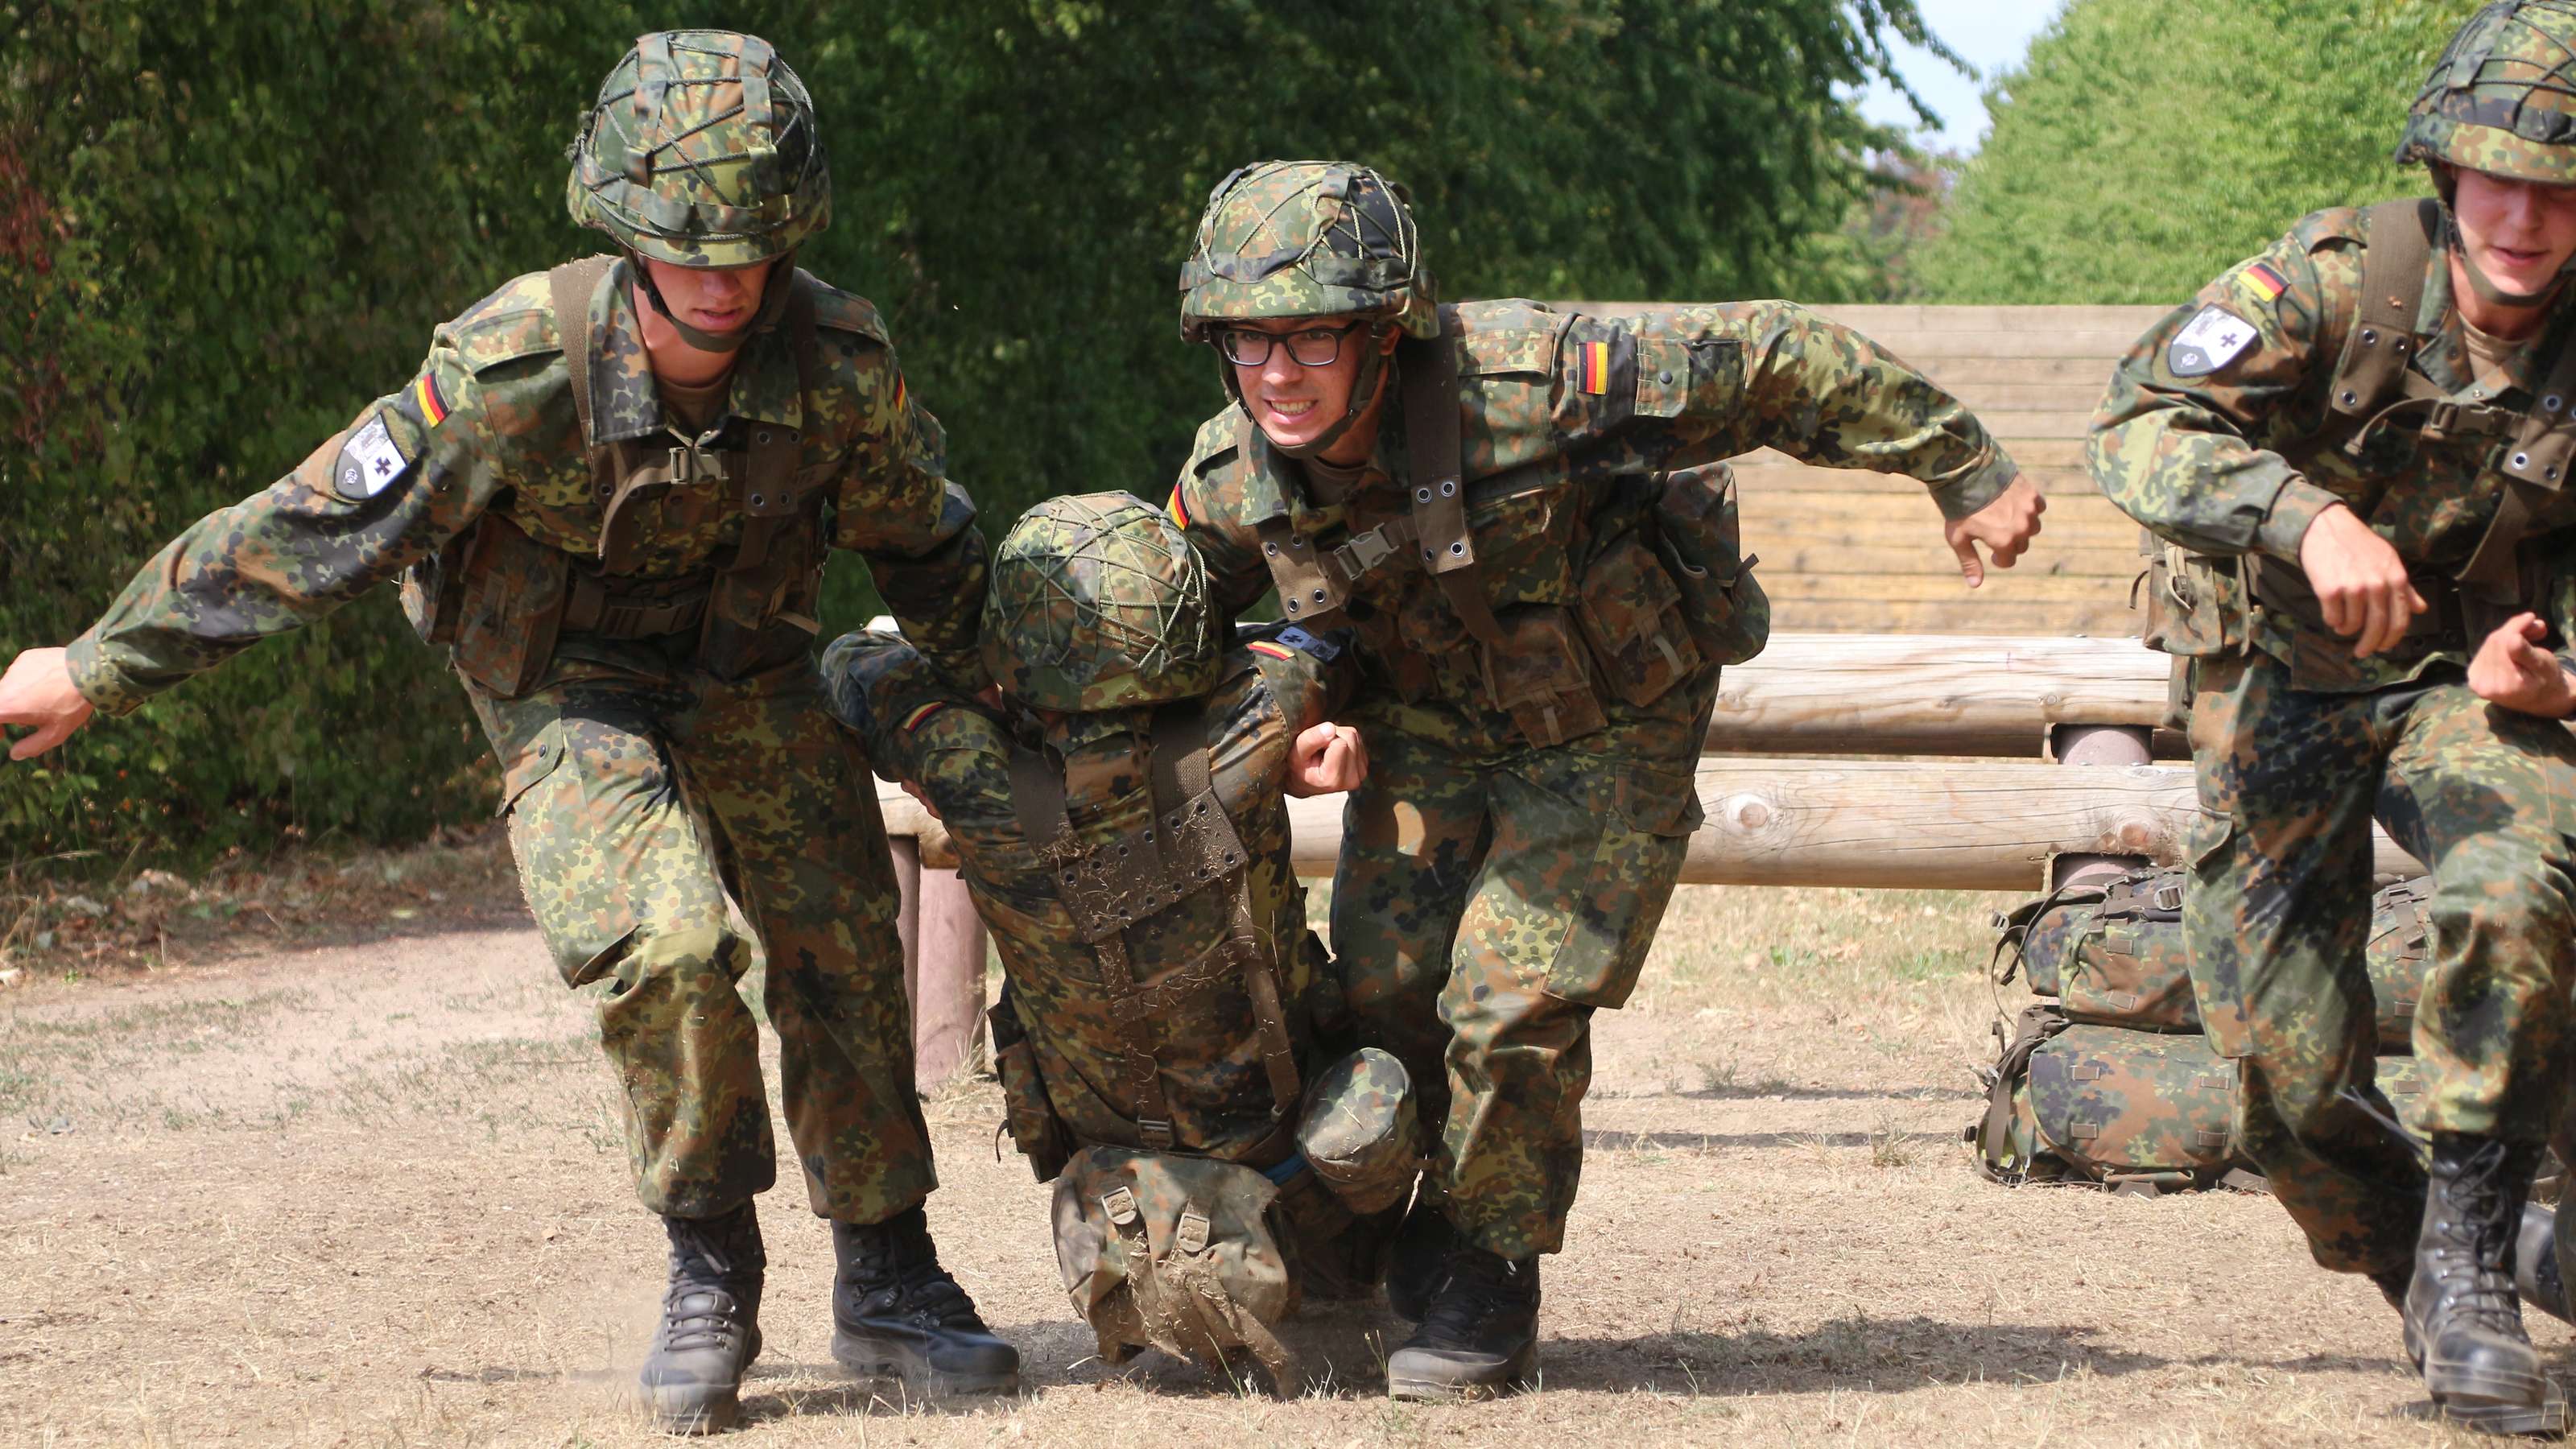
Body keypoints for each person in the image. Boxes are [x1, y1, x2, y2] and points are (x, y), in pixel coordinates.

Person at [0, 31, 1017, 1432]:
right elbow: (318, 529)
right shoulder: (511, 371)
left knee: (841, 931)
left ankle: (890, 1276)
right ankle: (711, 1263)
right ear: (626, 228)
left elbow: (929, 544)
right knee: (665, 947)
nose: (725, 275)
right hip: (566, 688)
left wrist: (1025, 699)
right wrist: (97, 663)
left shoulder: (838, 364)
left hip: (748, 676)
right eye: (689, 243)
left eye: (754, 244)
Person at [1163, 159, 2043, 1400]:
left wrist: (1963, 467)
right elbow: (1169, 642)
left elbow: (1775, 357)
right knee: (1385, 991)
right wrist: (1284, 714)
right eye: (1247, 342)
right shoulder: (1229, 480)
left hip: (1613, 713)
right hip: (1428, 716)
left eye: (1311, 335)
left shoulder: (1534, 383)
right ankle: (1367, 1228)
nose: (1278, 374)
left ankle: (1485, 1264)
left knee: (1513, 999)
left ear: (1385, 327)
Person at [2090, 2, 2576, 1432]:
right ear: (2443, 167)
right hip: (2280, 683)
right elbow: (2138, 425)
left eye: (2562, 186)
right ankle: (2444, 1262)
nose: (2528, 217)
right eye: (2499, 176)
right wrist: (2306, 523)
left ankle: (2484, 1270)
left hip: (2468, 681)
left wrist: (2565, 678)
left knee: (2521, 876)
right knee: (2281, 1081)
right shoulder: (2333, 279)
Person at [824, 492, 1420, 1392]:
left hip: (1117, 1190)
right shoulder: (1253, 727)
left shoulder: (965, 766)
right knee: (1393, 1050)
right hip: (1300, 1165)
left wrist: (976, 681)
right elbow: (1313, 643)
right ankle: (1371, 1265)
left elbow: (851, 662)